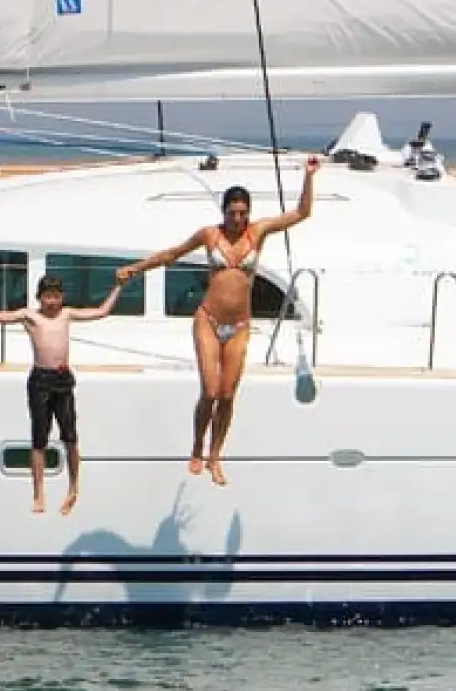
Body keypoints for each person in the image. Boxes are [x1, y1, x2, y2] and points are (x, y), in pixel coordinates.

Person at [117, 155, 321, 485]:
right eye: (232, 213)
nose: (237, 219)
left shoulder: (258, 232)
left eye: (242, 213)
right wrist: (135, 269)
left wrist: (309, 176)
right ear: (223, 212)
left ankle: (215, 455)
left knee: (227, 394)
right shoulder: (210, 235)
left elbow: (301, 212)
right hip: (208, 320)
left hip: (239, 325)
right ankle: (197, 446)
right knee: (210, 391)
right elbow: (172, 254)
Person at [0, 274, 124, 515]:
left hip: (62, 379)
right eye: (48, 297)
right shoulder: (29, 316)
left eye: (56, 296)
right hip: (40, 380)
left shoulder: (67, 314)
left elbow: (101, 312)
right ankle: (38, 493)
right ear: (39, 298)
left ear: (62, 297)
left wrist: (118, 286)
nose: (52, 301)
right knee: (39, 440)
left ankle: (73, 488)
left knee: (71, 438)